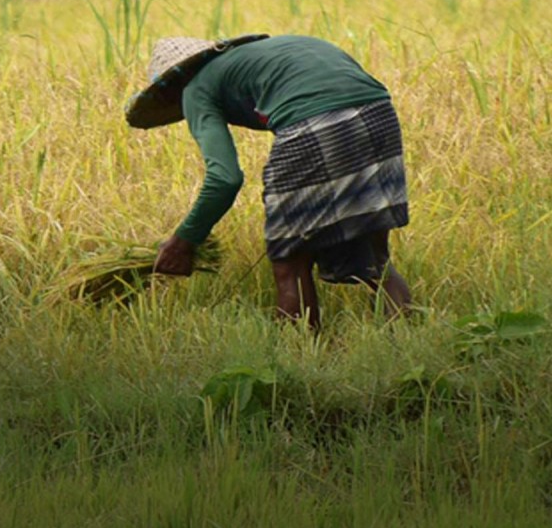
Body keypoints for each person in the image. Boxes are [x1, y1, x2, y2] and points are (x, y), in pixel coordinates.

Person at [126, 34, 414, 330]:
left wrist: (183, 241)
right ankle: (407, 342)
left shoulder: (195, 88)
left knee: (290, 260)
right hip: (380, 117)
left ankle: (298, 359)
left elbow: (224, 178)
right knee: (375, 261)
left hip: (314, 124)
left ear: (171, 87)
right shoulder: (270, 52)